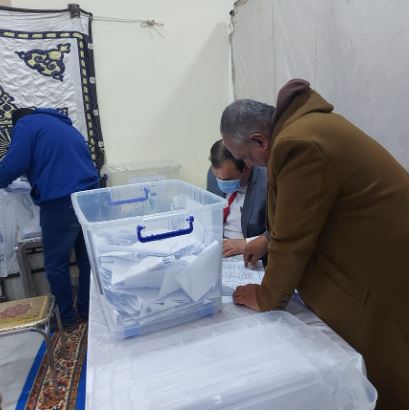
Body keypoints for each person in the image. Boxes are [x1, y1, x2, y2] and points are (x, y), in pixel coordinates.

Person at [220, 79, 409, 409]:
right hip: (380, 249)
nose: (247, 166)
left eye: (245, 158)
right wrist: (266, 239)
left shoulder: (298, 145)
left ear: (260, 141)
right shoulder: (307, 126)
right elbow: (310, 207)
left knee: (383, 358)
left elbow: (293, 240)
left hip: (385, 264)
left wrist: (265, 297)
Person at [0, 108, 99, 330]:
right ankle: (88, 310)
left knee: (56, 264)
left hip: (61, 202)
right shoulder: (63, 125)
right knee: (86, 259)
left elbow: (13, 165)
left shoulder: (25, 125)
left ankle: (66, 318)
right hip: (89, 198)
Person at [207, 139, 267, 257]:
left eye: (228, 179)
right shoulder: (216, 173)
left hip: (252, 252)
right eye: (218, 178)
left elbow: (280, 233)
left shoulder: (266, 183)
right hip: (220, 248)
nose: (221, 183)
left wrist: (245, 244)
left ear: (247, 167)